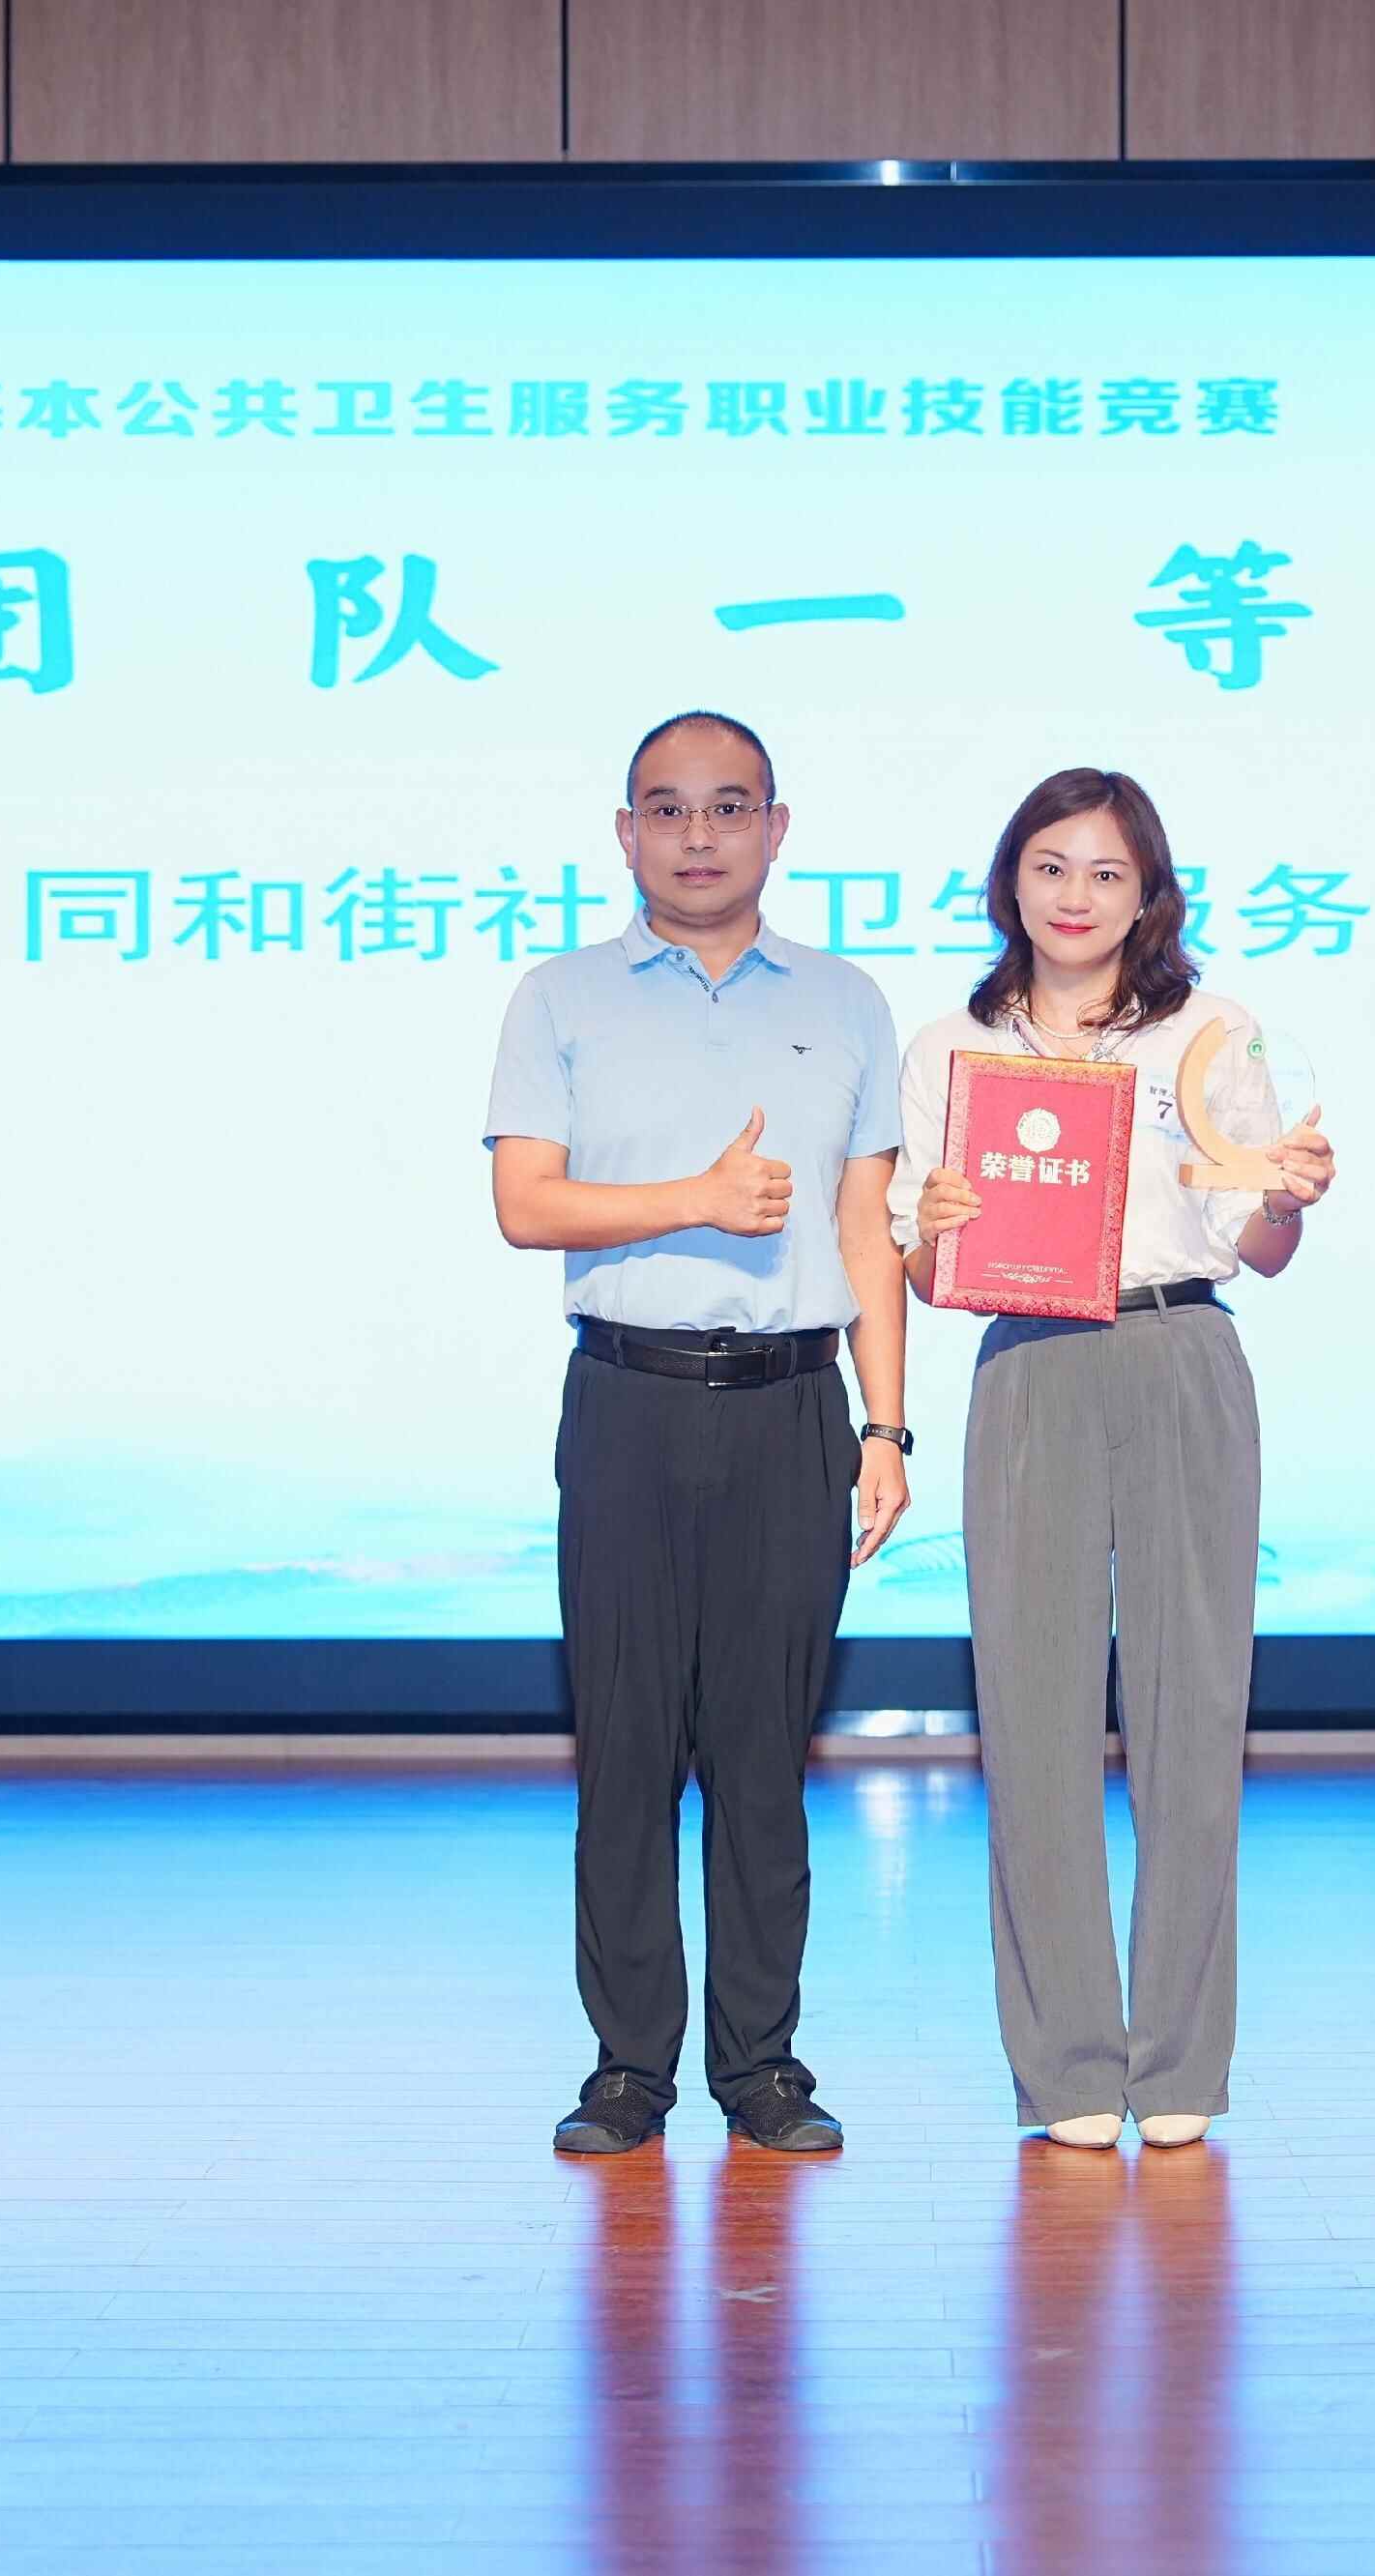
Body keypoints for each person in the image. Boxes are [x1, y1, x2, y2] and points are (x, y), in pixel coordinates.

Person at [485, 709, 914, 2157]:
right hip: (627, 1398)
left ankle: (762, 2065)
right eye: (666, 809)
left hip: (794, 1407)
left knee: (761, 1756)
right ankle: (628, 2068)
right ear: (625, 834)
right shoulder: (560, 996)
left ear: (777, 829)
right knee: (624, 1749)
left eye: (730, 806)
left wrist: (886, 1425)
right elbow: (526, 1204)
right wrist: (695, 1200)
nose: (698, 835)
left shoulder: (847, 1001)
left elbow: (865, 1223)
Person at [891, 767, 1337, 2151]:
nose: (1074, 896)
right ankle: (1070, 2070)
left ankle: (1183, 2060)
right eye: (1050, 866)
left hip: (1179, 1349)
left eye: (1105, 873)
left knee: (1193, 1714)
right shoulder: (953, 1044)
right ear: (1009, 881)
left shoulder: (1210, 1035)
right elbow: (922, 1271)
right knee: (1030, 1721)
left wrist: (1289, 1199)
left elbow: (1259, 1241)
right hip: (1029, 1364)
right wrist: (937, 1230)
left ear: (1149, 896)